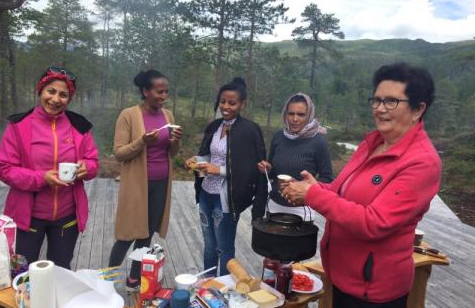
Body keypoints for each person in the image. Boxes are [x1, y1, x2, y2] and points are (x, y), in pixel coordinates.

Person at [281, 63, 442, 308]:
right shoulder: (373, 144)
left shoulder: (422, 162)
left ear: (418, 109)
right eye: (377, 100)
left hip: (374, 291)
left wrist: (314, 195)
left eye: (391, 101)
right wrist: (314, 188)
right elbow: (342, 191)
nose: (379, 108)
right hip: (344, 276)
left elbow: (374, 222)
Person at [0, 66, 99, 308]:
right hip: (27, 218)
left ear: (70, 98)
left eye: (63, 95)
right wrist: (41, 178)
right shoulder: (19, 125)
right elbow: (5, 168)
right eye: (50, 91)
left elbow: (93, 161)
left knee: (61, 275)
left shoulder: (79, 126)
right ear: (39, 91)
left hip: (66, 216)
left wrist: (85, 168)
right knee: (19, 276)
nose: (56, 99)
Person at [108, 69, 182, 290]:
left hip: (161, 183)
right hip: (136, 185)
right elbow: (119, 153)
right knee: (127, 233)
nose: (163, 96)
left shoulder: (168, 115)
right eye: (159, 91)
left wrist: (176, 140)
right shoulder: (129, 115)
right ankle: (108, 279)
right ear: (145, 91)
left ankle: (134, 278)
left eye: (166, 92)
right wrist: (142, 141)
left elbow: (173, 152)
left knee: (146, 234)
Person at [185, 77, 267, 276]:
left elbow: (250, 170)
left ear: (242, 104)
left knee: (224, 247)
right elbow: (209, 155)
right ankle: (208, 284)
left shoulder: (249, 131)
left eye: (232, 103)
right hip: (206, 194)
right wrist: (196, 160)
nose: (226, 106)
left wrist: (219, 170)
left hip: (227, 200)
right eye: (223, 101)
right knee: (209, 244)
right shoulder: (215, 127)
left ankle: (224, 290)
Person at [257, 92, 333, 219]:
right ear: (285, 114)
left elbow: (327, 179)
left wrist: (305, 188)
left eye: (301, 114)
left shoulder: (318, 142)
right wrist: (268, 169)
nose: (295, 119)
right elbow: (272, 173)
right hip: (274, 205)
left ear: (309, 115)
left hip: (302, 210)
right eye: (291, 113)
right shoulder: (279, 137)